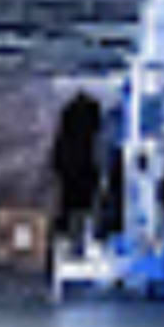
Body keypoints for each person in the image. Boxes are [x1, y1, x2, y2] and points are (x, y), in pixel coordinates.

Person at [51, 92, 105, 246]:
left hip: (72, 169)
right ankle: (81, 237)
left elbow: (61, 144)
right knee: (83, 203)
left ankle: (74, 238)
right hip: (86, 167)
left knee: (72, 202)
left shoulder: (68, 115)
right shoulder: (92, 115)